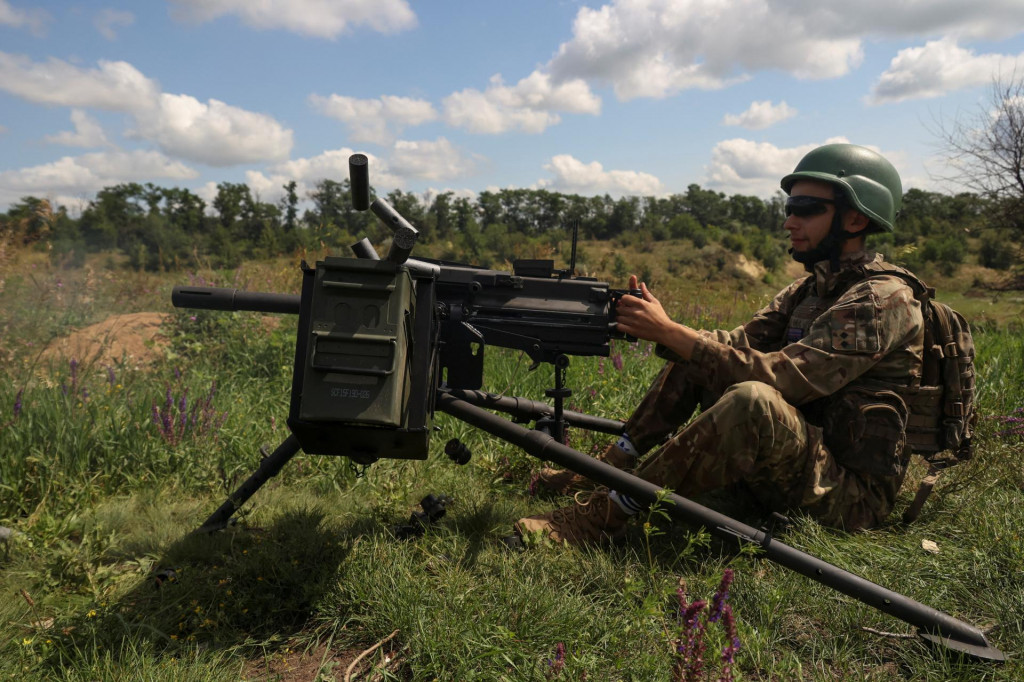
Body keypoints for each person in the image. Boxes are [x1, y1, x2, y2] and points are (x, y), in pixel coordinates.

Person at [515, 143, 926, 544]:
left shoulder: (883, 299)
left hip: (849, 496)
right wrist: (669, 329)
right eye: (789, 209)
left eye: (806, 210)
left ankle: (604, 517)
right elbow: (734, 345)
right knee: (696, 353)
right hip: (799, 461)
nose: (789, 222)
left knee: (752, 399)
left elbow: (786, 380)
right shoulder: (809, 289)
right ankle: (610, 466)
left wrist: (672, 334)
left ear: (854, 221)